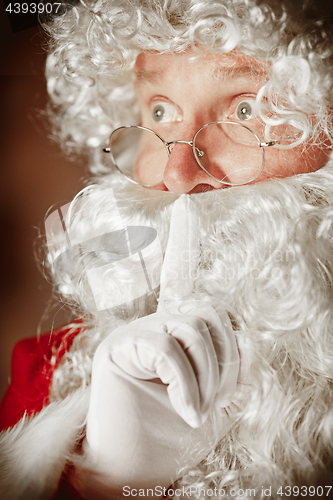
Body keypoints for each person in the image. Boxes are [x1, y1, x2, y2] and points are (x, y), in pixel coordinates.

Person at [1, 0, 333, 498]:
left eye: (247, 110)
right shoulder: (45, 375)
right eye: (160, 110)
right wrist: (104, 480)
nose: (177, 174)